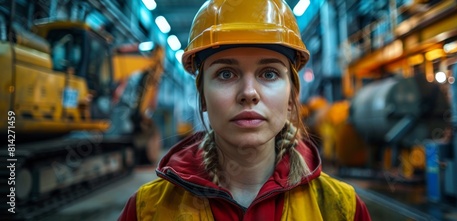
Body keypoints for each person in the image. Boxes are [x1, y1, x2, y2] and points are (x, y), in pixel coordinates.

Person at [118, 0, 371, 220]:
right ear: (203, 96)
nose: (249, 92)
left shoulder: (342, 210)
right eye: (226, 73)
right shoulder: (146, 210)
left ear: (292, 97)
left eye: (269, 73)